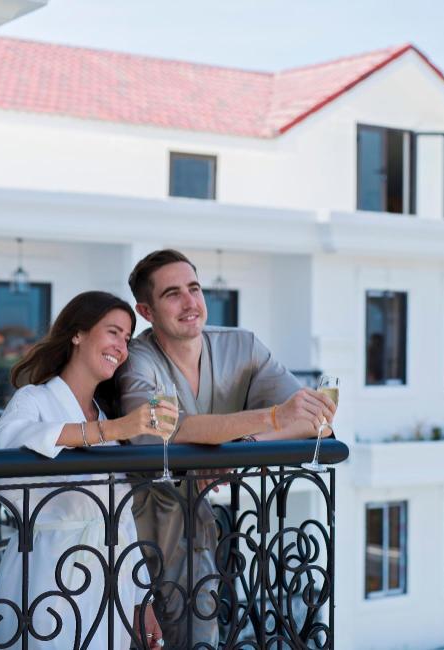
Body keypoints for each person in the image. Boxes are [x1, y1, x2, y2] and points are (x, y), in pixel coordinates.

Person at [116, 249, 337, 648]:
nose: (190, 303)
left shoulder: (242, 347)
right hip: (134, 530)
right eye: (172, 294)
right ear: (146, 312)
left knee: (200, 636)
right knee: (136, 639)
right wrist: (270, 418)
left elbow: (314, 420)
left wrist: (240, 448)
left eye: (194, 288)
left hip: (200, 528)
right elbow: (156, 430)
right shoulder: (138, 360)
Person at [0, 291, 175, 649]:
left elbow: (122, 521)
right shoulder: (35, 399)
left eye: (127, 338)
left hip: (110, 582)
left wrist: (141, 600)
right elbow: (1, 451)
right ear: (77, 334)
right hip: (49, 577)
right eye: (113, 332)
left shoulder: (104, 414)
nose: (121, 346)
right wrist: (114, 429)